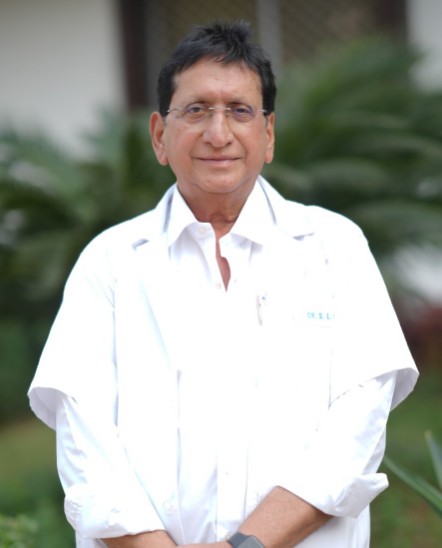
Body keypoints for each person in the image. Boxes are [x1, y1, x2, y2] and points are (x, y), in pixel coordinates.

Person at [28, 20, 418, 548]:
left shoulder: (333, 248)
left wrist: (246, 545)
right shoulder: (111, 262)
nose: (218, 133)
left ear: (268, 134)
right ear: (159, 136)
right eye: (196, 110)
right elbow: (84, 441)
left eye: (239, 111)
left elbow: (357, 428)